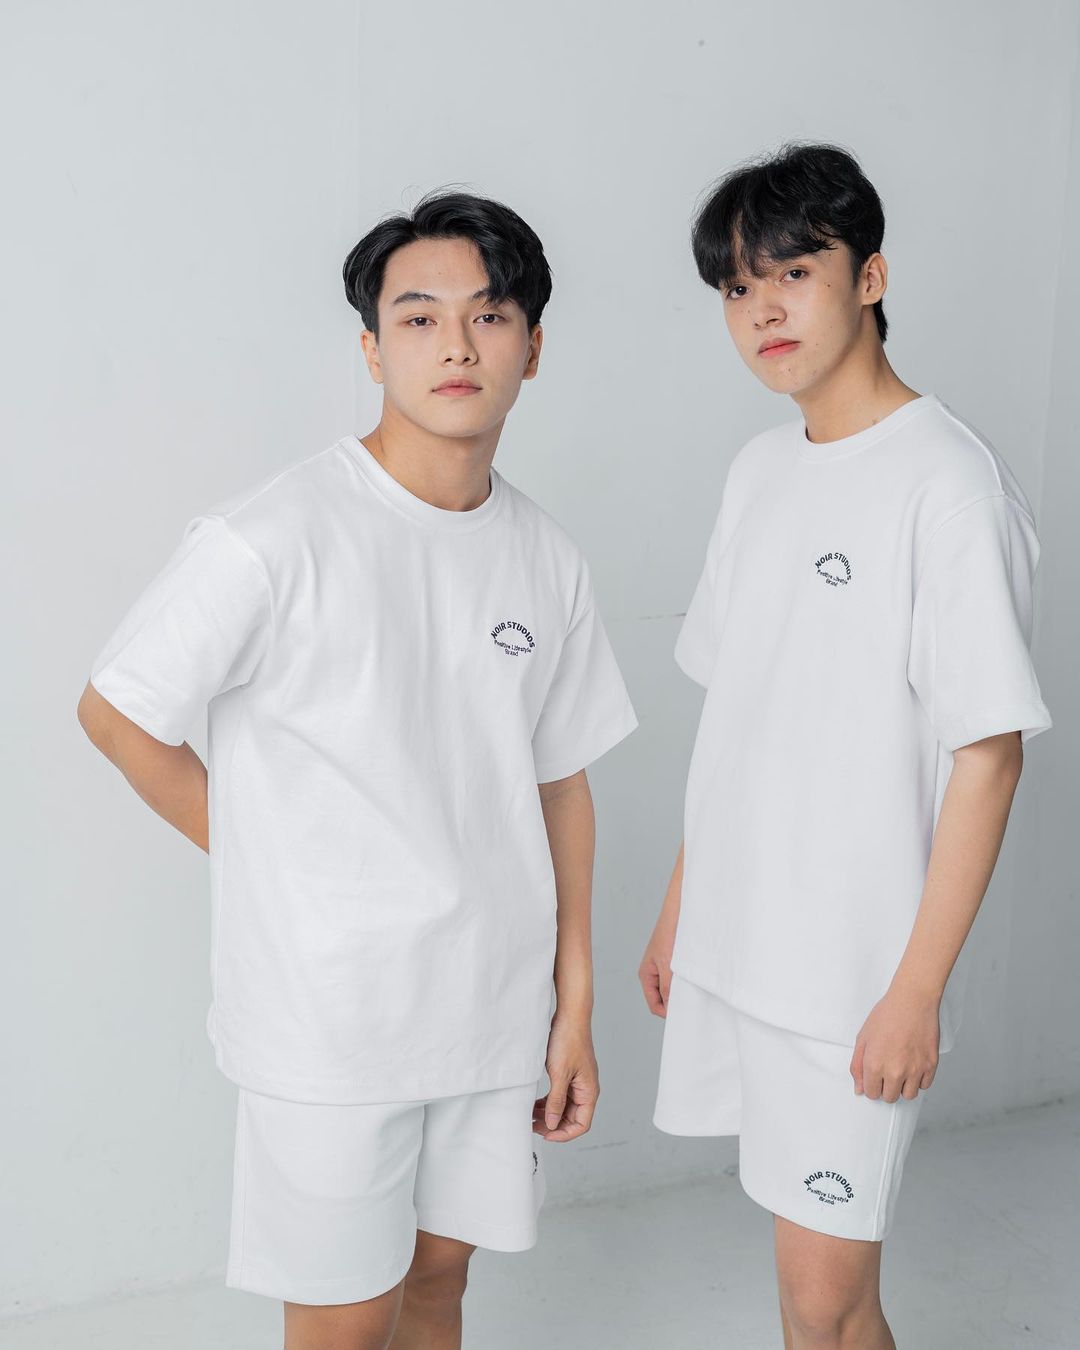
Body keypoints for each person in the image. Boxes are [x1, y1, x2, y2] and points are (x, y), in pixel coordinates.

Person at [78, 189, 637, 1350]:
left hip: (492, 1009)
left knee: (440, 1286)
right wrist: (276, 862)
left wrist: (573, 1006)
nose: (456, 345)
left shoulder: (547, 558)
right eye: (419, 318)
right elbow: (118, 712)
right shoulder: (275, 535)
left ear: (533, 348)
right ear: (373, 349)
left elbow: (559, 784)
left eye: (489, 316)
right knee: (344, 1320)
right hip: (330, 1023)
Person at [639, 142, 1051, 1350]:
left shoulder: (949, 486)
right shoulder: (760, 470)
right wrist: (681, 908)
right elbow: (743, 714)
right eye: (736, 287)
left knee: (825, 1301)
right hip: (743, 945)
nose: (763, 309)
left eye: (794, 272)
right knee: (816, 1298)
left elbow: (990, 755)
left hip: (853, 976)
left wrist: (915, 993)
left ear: (869, 277)